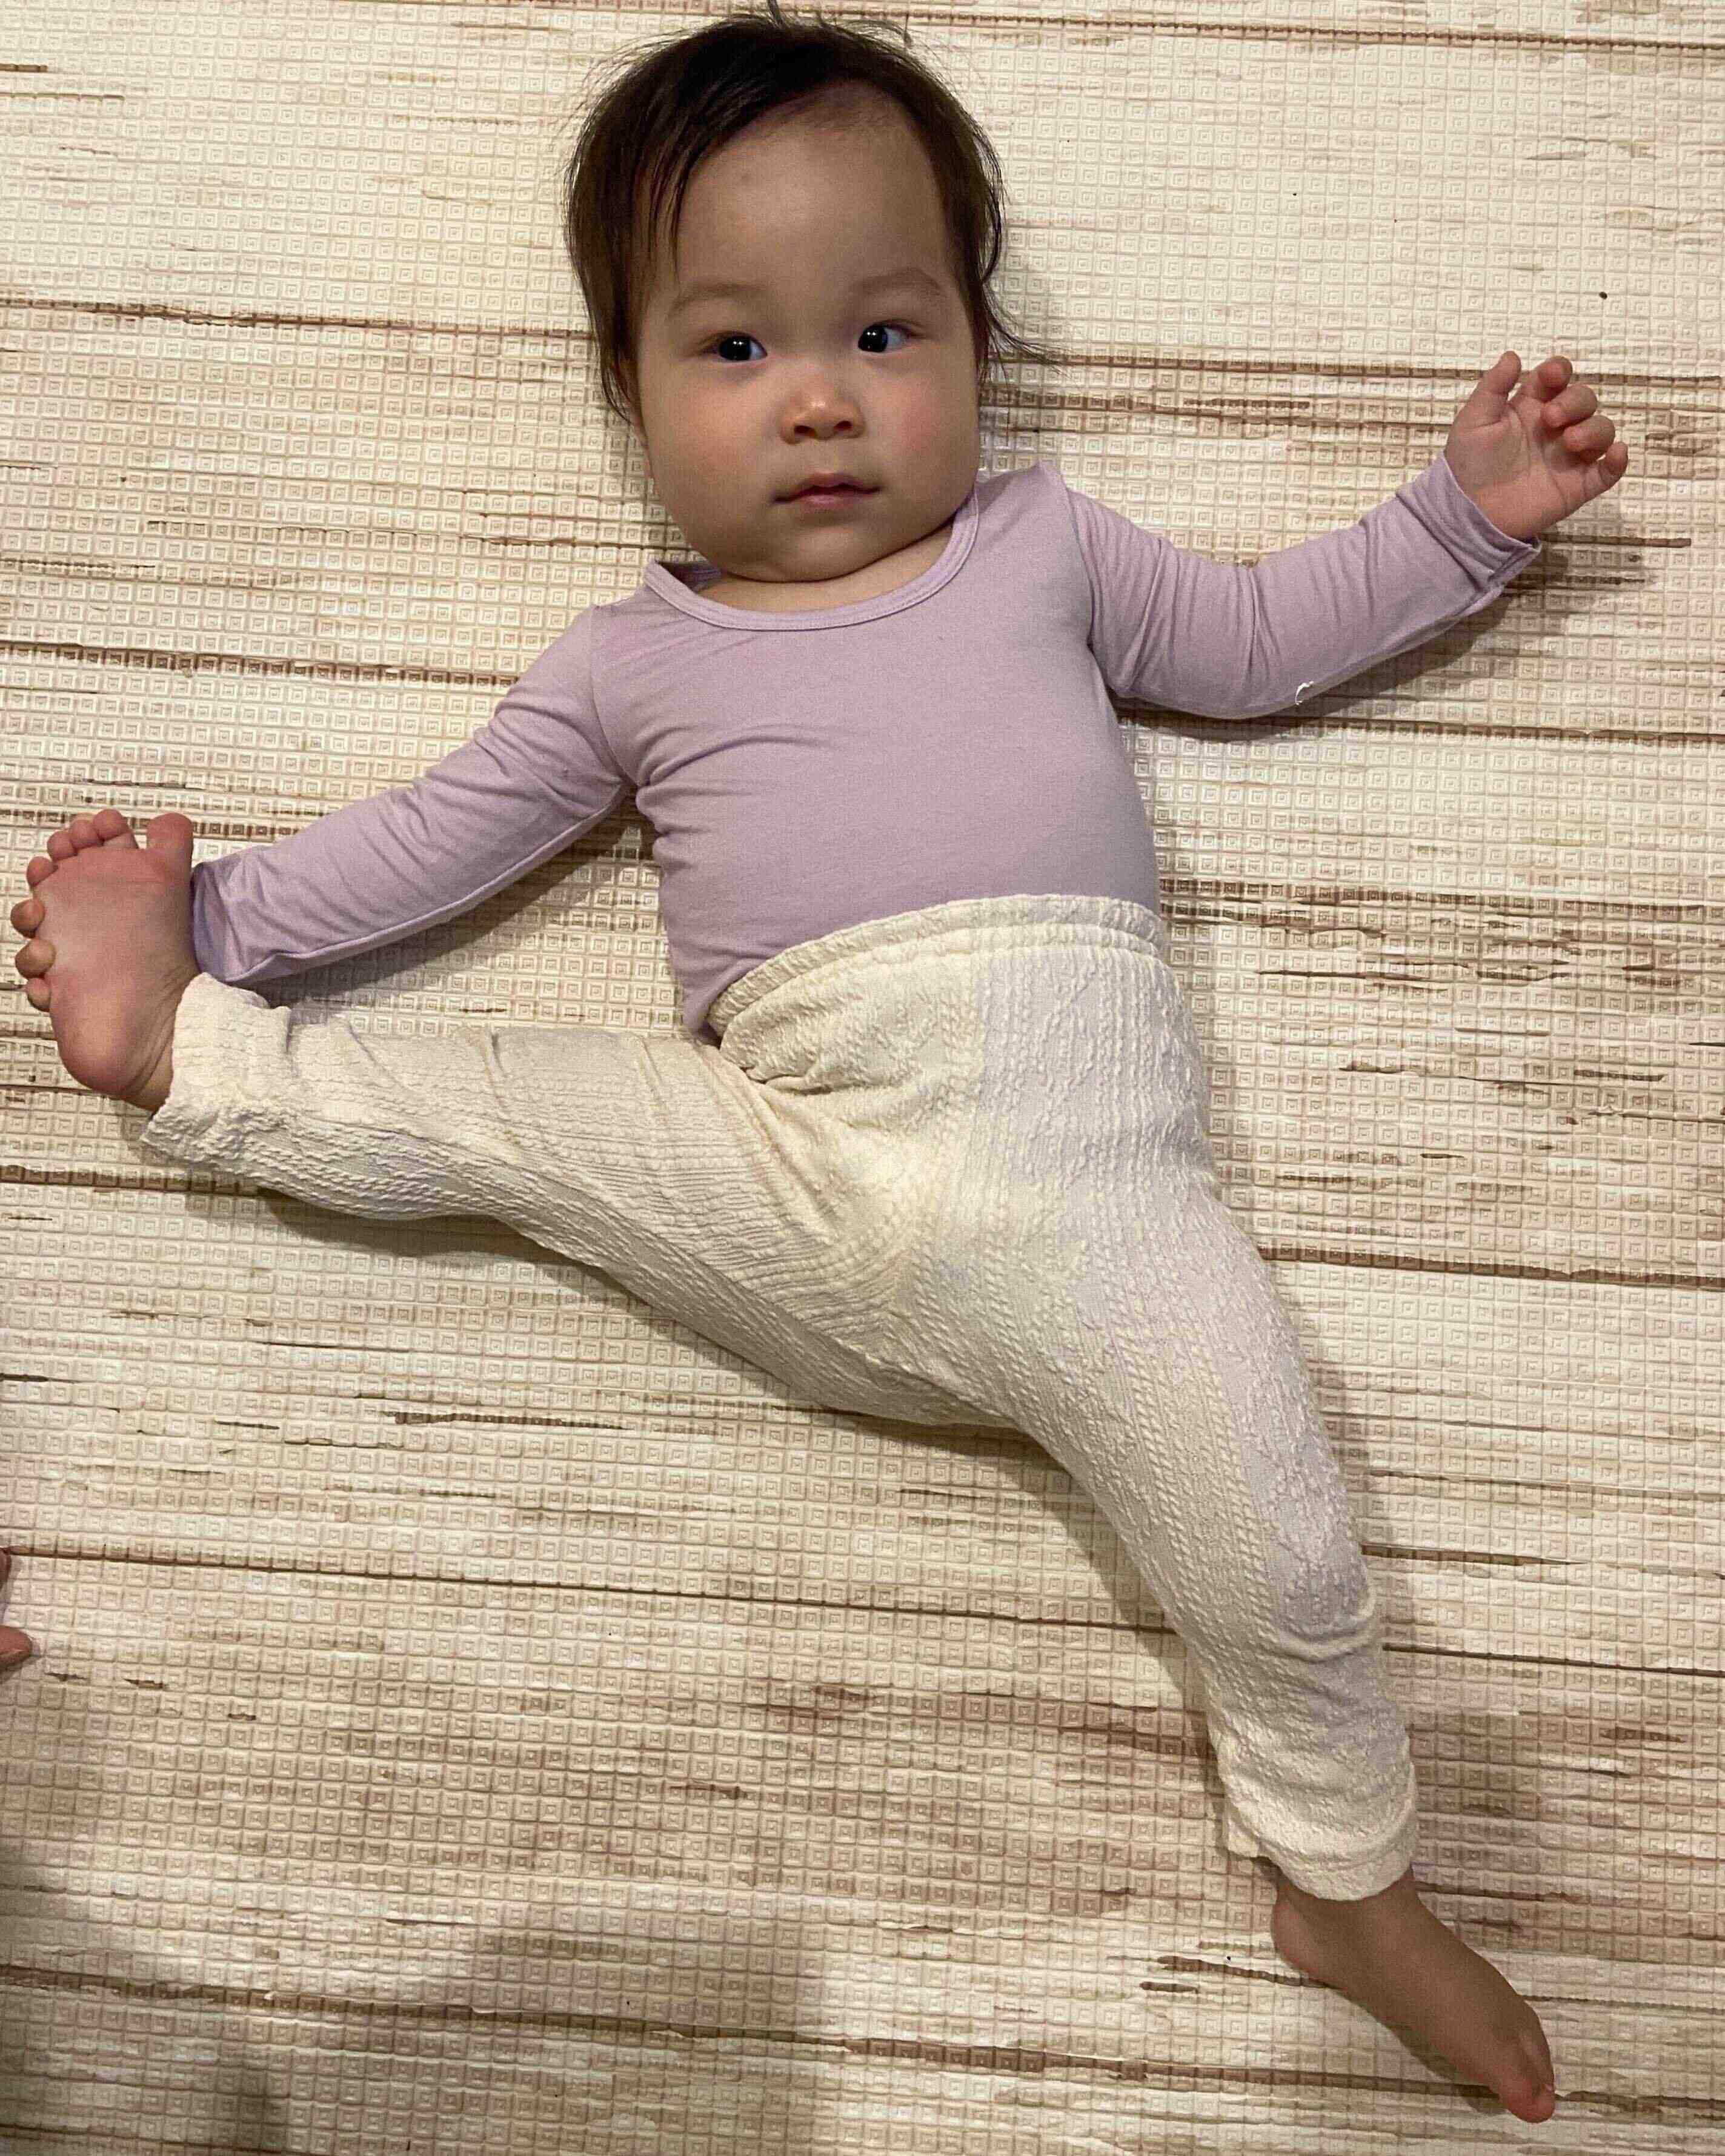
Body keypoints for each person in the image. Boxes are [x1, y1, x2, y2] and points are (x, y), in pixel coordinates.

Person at [7, 4, 1626, 2123]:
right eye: (735, 347)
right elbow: (431, 845)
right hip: (803, 1165)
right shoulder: (631, 665)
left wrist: (1462, 521)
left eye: (884, 332)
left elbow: (1253, 643)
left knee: (1286, 1551)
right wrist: (207, 910)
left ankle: (1346, 1884)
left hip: (1101, 1222)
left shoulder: (1044, 550)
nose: (820, 401)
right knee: (504, 1113)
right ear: (630, 388)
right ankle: (179, 1042)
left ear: (975, 343)